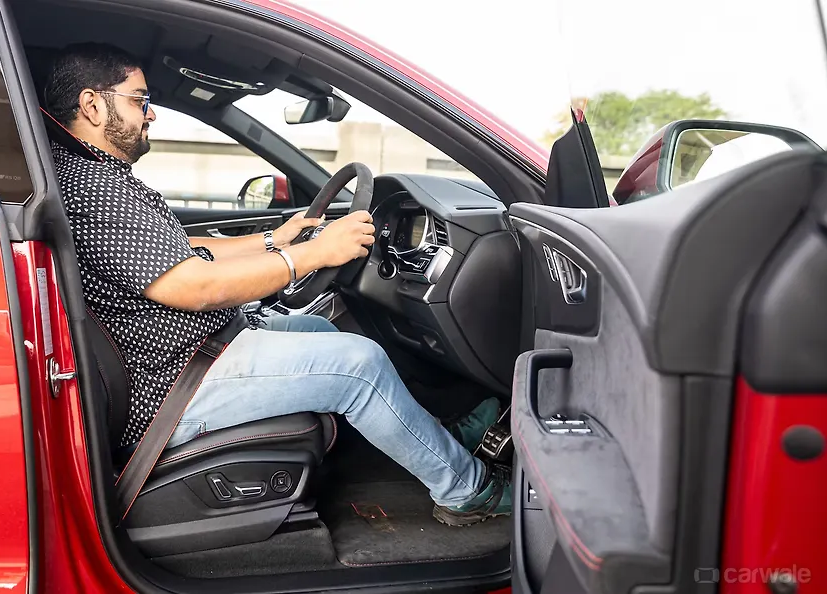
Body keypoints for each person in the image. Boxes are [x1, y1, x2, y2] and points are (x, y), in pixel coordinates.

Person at [42, 42, 511, 526]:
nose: (151, 114)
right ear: (93, 104)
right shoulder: (96, 188)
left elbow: (179, 247)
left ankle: (437, 439)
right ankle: (466, 490)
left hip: (194, 350)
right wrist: (310, 254)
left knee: (326, 334)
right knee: (359, 365)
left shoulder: (95, 176)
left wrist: (274, 239)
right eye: (139, 99)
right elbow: (193, 285)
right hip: (171, 387)